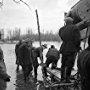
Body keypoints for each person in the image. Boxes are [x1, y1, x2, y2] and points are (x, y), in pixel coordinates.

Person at [59, 17, 81, 83]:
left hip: (63, 48)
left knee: (63, 64)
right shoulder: (75, 28)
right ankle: (67, 79)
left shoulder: (61, 29)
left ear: (65, 22)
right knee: (70, 64)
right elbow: (77, 40)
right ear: (71, 21)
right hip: (72, 49)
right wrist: (77, 47)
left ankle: (62, 78)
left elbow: (62, 37)